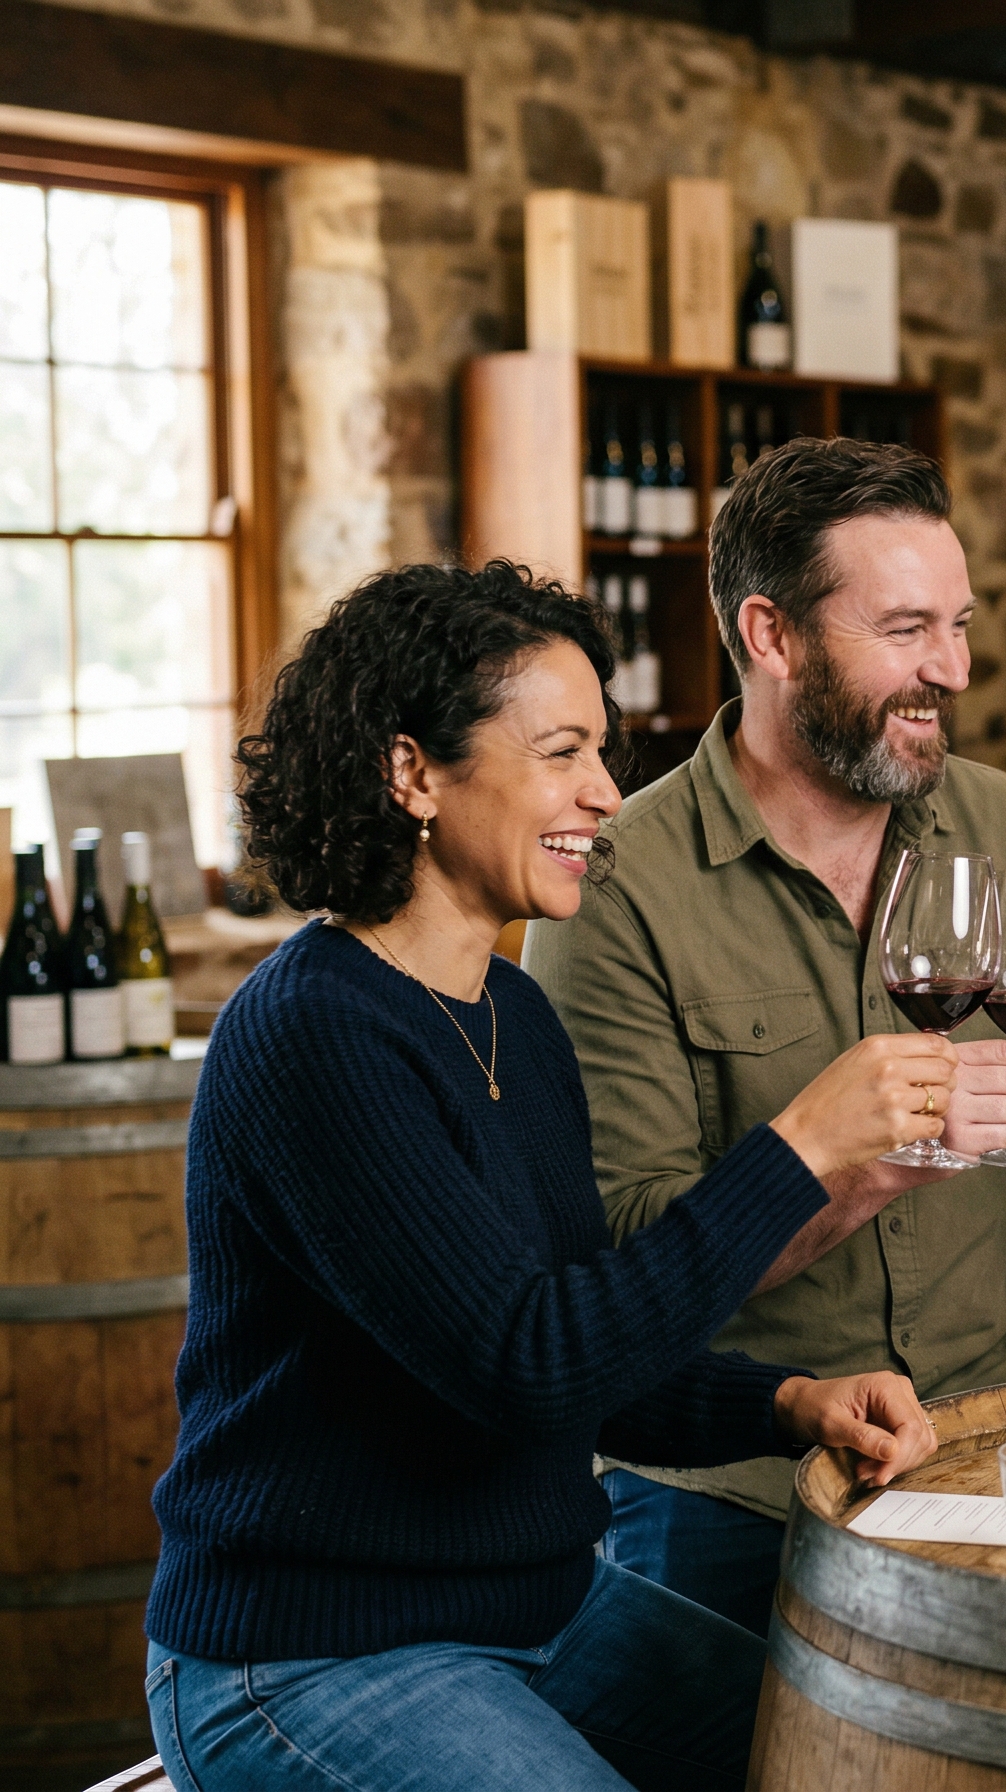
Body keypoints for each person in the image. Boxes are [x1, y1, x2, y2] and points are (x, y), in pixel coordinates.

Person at [143, 562, 949, 1792]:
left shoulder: (511, 1007)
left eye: (604, 754)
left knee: (873, 1764)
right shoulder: (313, 1032)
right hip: (310, 1654)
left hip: (547, 1610)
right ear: (412, 770)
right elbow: (532, 1364)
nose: (607, 795)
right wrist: (802, 1147)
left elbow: (587, 1345)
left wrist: (786, 1401)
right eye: (565, 751)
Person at [524, 437, 1006, 1640]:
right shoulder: (616, 884)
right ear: (772, 635)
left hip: (992, 1453)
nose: (954, 669)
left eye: (960, 625)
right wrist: (876, 1163)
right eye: (908, 629)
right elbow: (620, 1266)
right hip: (726, 1494)